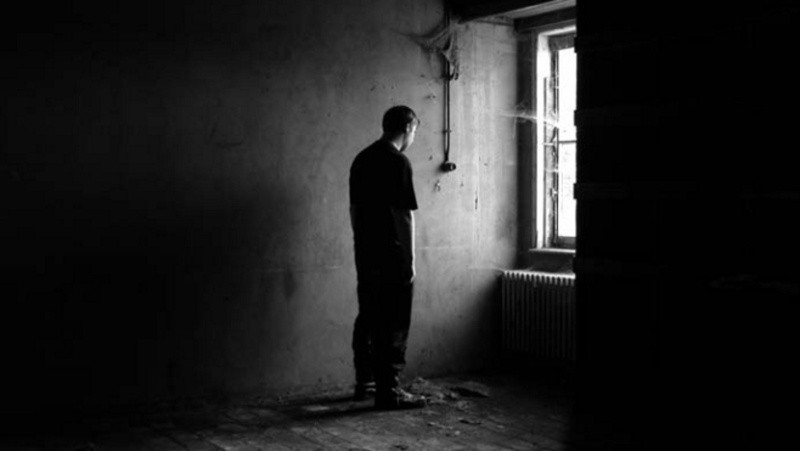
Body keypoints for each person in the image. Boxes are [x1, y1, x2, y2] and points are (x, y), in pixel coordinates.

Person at [349, 105, 426, 409]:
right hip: (392, 253)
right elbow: (403, 215)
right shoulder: (398, 162)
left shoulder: (362, 159)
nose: (413, 138)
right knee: (393, 319)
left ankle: (366, 382)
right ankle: (389, 391)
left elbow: (354, 211)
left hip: (366, 250)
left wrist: (361, 242)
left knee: (368, 315)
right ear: (407, 128)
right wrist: (410, 260)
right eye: (414, 131)